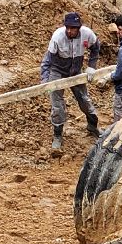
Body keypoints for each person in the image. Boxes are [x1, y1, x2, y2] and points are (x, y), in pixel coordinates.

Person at [40, 11, 101, 154]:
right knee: (57, 106)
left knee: (84, 100)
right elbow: (47, 61)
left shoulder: (87, 34)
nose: (69, 31)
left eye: (73, 28)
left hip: (76, 71)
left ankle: (93, 126)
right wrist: (45, 81)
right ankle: (57, 135)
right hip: (58, 71)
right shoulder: (57, 37)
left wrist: (91, 66)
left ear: (79, 27)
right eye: (67, 27)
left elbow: (95, 48)